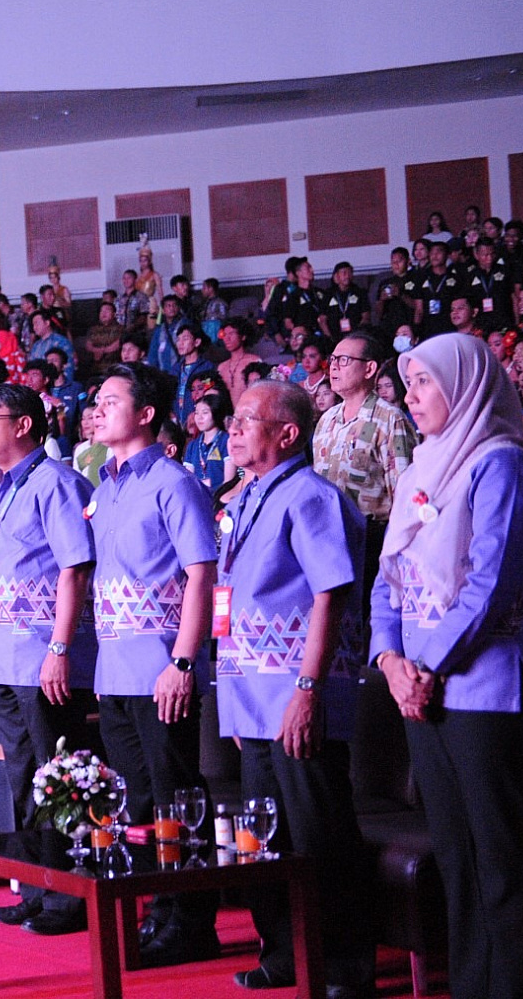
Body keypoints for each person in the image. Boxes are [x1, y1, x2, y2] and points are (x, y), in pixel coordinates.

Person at [370, 334, 523, 999]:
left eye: (424, 381)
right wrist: (390, 660)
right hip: (421, 688)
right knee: (456, 854)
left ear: (467, 385)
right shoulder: (423, 464)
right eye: (408, 382)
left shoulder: (501, 464)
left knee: (499, 854)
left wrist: (422, 666)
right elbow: (387, 578)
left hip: (487, 687)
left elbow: (490, 585)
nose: (411, 395)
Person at [220, 381, 376, 995]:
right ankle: (285, 951)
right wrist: (233, 700)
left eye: (247, 419)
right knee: (264, 836)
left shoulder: (311, 495)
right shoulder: (248, 496)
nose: (233, 429)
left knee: (318, 833)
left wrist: (308, 690)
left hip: (295, 696)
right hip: (251, 698)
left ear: (288, 433)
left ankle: (344, 967)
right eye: (232, 419)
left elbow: (329, 594)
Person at [90, 362, 219, 966]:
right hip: (114, 670)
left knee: (175, 794)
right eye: (96, 400)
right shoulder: (104, 486)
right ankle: (156, 910)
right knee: (136, 799)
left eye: (111, 401)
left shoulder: (173, 482)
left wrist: (184, 662)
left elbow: (201, 575)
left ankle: (191, 919)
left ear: (146, 414)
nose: (97, 409)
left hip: (161, 668)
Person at [0, 385, 98, 934]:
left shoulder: (58, 483)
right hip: (0, 653)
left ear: (23, 425)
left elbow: (75, 568)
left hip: (43, 655)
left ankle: (73, 894)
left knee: (60, 774)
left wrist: (60, 648)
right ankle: (36, 885)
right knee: (22, 776)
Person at [313, 331, 415, 611]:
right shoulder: (326, 420)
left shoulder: (390, 419)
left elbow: (405, 493)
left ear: (369, 368)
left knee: (367, 618)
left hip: (371, 541)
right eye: (333, 359)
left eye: (344, 360)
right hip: (328, 539)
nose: (333, 367)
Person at [182, 393, 232, 490]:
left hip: (221, 496)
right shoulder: (192, 446)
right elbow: (190, 481)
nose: (199, 417)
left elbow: (229, 482)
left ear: (216, 413)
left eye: (205, 413)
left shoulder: (227, 441)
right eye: (196, 413)